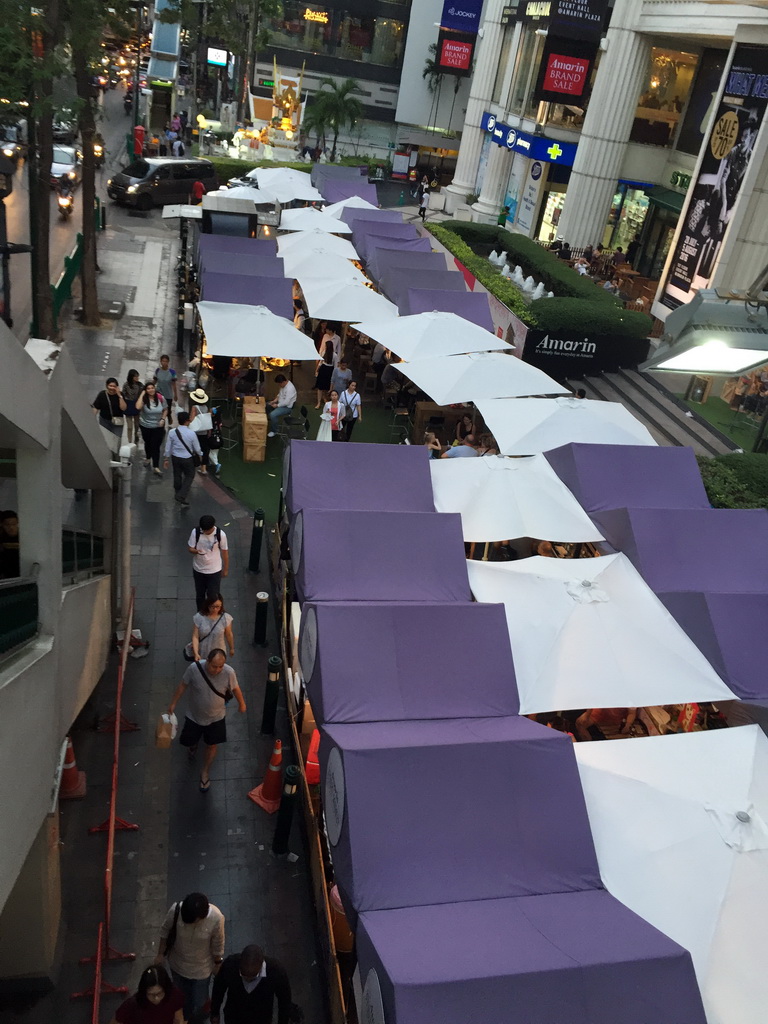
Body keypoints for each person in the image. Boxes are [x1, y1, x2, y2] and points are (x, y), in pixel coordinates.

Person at [168, 650, 246, 791]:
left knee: (212, 745)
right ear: (208, 661)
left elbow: (235, 688)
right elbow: (183, 685)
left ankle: (205, 772)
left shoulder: (229, 672)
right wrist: (173, 703)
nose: (217, 670)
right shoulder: (194, 669)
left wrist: (242, 703)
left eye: (220, 666)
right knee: (188, 741)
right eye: (214, 666)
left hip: (216, 717)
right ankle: (193, 745)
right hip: (194, 716)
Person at [155, 893, 225, 1021]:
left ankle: (202, 1014)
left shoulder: (216, 918)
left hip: (202, 970)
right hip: (177, 965)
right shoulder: (176, 910)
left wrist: (218, 963)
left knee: (200, 1001)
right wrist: (160, 954)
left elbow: (218, 943)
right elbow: (165, 931)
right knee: (182, 996)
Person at [211, 944, 292, 1024]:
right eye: (243, 975)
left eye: (253, 977)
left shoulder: (276, 971)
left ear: (261, 965)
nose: (248, 980)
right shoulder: (230, 965)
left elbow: (284, 1001)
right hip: (233, 1017)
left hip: (261, 1019)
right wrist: (214, 1013)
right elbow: (219, 988)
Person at [109, 964, 184, 1024]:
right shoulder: (132, 1005)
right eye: (151, 994)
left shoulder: (174, 995)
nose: (156, 998)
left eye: (159, 993)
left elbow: (178, 1017)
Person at [188, 515, 229, 612]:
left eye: (207, 530)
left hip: (214, 570)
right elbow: (190, 548)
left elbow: (225, 553)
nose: (205, 532)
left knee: (213, 595)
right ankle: (201, 614)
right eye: (204, 530)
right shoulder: (196, 532)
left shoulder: (221, 535)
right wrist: (196, 551)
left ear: (213, 526)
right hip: (198, 569)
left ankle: (213, 614)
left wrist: (225, 569)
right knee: (200, 595)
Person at [164, 411, 202, 507]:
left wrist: (166, 458)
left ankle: (177, 492)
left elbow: (168, 446)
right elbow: (197, 448)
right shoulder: (192, 433)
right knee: (189, 475)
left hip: (175, 457)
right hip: (187, 458)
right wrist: (200, 455)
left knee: (177, 474)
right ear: (187, 421)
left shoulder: (172, 432)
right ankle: (181, 495)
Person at [189, 594, 234, 663]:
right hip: (204, 650)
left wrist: (231, 648)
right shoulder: (199, 617)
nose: (215, 609)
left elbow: (228, 634)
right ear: (208, 605)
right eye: (212, 606)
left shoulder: (226, 618)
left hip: (219, 650)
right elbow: (195, 636)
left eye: (218, 606)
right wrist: (196, 653)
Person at [136, 382, 168, 474]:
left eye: (152, 388)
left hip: (158, 426)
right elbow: (138, 407)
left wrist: (163, 419)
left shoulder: (160, 398)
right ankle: (148, 457)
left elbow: (165, 409)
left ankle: (156, 466)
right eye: (148, 388)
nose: (151, 390)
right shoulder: (144, 399)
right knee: (148, 442)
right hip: (145, 426)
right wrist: (142, 393)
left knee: (156, 445)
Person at [188, 388, 213, 476]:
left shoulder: (194, 407)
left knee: (193, 448)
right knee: (204, 449)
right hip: (204, 431)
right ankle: (203, 468)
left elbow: (191, 419)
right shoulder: (206, 407)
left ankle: (193, 464)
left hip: (196, 432)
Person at [312, 329, 336, 408]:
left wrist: (334, 375)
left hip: (329, 370)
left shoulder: (334, 355)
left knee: (326, 387)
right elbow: (321, 362)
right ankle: (318, 402)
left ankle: (324, 398)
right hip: (324, 369)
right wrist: (317, 370)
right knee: (320, 387)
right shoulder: (323, 353)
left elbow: (335, 366)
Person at [154, 354, 178, 425]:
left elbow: (174, 384)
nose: (164, 363)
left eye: (166, 361)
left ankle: (169, 416)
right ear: (160, 362)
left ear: (168, 362)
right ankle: (162, 424)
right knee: (160, 410)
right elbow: (154, 381)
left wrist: (175, 395)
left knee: (167, 409)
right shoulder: (158, 371)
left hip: (168, 394)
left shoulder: (172, 372)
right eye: (163, 361)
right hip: (159, 393)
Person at [122, 370, 143, 444]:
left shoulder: (140, 385)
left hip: (136, 405)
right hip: (128, 405)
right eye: (135, 376)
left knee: (137, 424)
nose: (137, 378)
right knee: (129, 426)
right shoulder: (126, 385)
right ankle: (129, 441)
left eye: (138, 376)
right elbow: (123, 394)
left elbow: (142, 395)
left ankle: (136, 434)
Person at [0, 510, 20, 578]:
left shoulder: (24, 537)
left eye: (14, 524)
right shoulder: (2, 537)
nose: (11, 527)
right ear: (2, 525)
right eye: (7, 525)